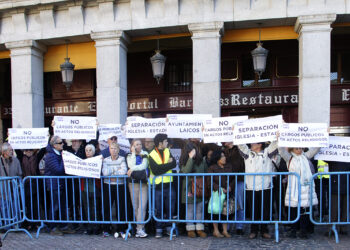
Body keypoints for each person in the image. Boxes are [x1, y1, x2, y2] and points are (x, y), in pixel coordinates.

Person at [238, 141, 278, 239]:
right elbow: (241, 145)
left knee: (265, 210)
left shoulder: (267, 153)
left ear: (260, 145)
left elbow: (275, 145)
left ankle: (264, 230)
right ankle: (254, 230)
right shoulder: (248, 154)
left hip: (265, 187)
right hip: (251, 187)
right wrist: (237, 133)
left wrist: (277, 136)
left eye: (254, 143)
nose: (251, 144)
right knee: (253, 210)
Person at [279, 146, 319, 238]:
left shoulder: (306, 156)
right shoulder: (289, 157)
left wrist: (324, 135)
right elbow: (281, 151)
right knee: (293, 209)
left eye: (301, 148)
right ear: (292, 149)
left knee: (304, 210)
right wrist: (279, 139)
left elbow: (315, 149)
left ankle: (303, 230)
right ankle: (293, 230)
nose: (299, 150)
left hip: (305, 187)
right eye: (297, 148)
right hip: (294, 187)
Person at [44, 136, 75, 235]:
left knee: (62, 206)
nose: (63, 144)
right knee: (55, 206)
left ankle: (63, 226)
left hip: (61, 184)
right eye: (60, 143)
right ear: (54, 145)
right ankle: (52, 227)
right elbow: (58, 170)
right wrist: (64, 159)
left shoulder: (58, 154)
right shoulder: (50, 156)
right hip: (54, 185)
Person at [148, 133, 176, 238]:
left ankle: (169, 228)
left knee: (170, 209)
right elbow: (155, 171)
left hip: (169, 185)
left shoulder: (168, 150)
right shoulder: (151, 154)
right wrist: (167, 166)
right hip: (157, 186)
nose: (167, 143)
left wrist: (162, 167)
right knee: (158, 209)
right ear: (160, 143)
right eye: (165, 141)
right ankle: (158, 229)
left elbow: (174, 164)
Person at [180, 141, 208, 238]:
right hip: (188, 188)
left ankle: (199, 229)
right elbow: (186, 171)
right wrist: (190, 159)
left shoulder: (202, 160)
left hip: (200, 187)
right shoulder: (184, 161)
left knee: (199, 209)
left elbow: (206, 173)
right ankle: (190, 229)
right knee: (190, 209)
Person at [101, 142, 128, 238]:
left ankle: (121, 229)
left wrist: (111, 171)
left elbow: (123, 171)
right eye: (112, 148)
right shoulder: (106, 160)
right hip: (108, 186)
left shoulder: (122, 159)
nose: (114, 150)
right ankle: (106, 229)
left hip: (119, 186)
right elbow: (104, 172)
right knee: (107, 208)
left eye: (116, 148)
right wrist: (116, 170)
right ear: (109, 149)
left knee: (120, 208)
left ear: (118, 149)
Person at [207, 150, 234, 238]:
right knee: (216, 211)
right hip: (217, 193)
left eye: (224, 156)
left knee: (226, 212)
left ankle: (225, 230)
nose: (224, 158)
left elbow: (234, 178)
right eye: (222, 156)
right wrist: (219, 188)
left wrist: (230, 186)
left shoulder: (229, 166)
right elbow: (209, 181)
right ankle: (216, 230)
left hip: (228, 193)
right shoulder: (212, 168)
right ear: (217, 158)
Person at [126, 139, 149, 238]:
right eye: (136, 145)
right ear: (132, 146)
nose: (138, 146)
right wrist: (133, 154)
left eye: (140, 144)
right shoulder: (129, 155)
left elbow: (144, 166)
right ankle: (139, 228)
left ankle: (140, 228)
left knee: (142, 207)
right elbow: (130, 165)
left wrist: (133, 170)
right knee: (135, 207)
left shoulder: (145, 154)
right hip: (133, 184)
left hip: (143, 184)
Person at [223, 142, 245, 235]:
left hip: (239, 180)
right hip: (226, 181)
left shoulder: (240, 149)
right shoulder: (223, 150)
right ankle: (226, 227)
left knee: (240, 203)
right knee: (227, 204)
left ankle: (239, 226)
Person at [325, 160, 350, 236]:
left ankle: (342, 227)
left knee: (346, 208)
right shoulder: (334, 157)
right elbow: (325, 157)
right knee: (334, 208)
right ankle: (332, 227)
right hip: (335, 184)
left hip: (344, 183)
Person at [81, 144, 102, 235]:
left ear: (93, 152)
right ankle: (89, 227)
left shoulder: (98, 161)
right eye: (87, 150)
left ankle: (96, 227)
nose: (88, 152)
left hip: (94, 188)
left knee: (95, 208)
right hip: (85, 188)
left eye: (90, 150)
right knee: (87, 208)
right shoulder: (81, 162)